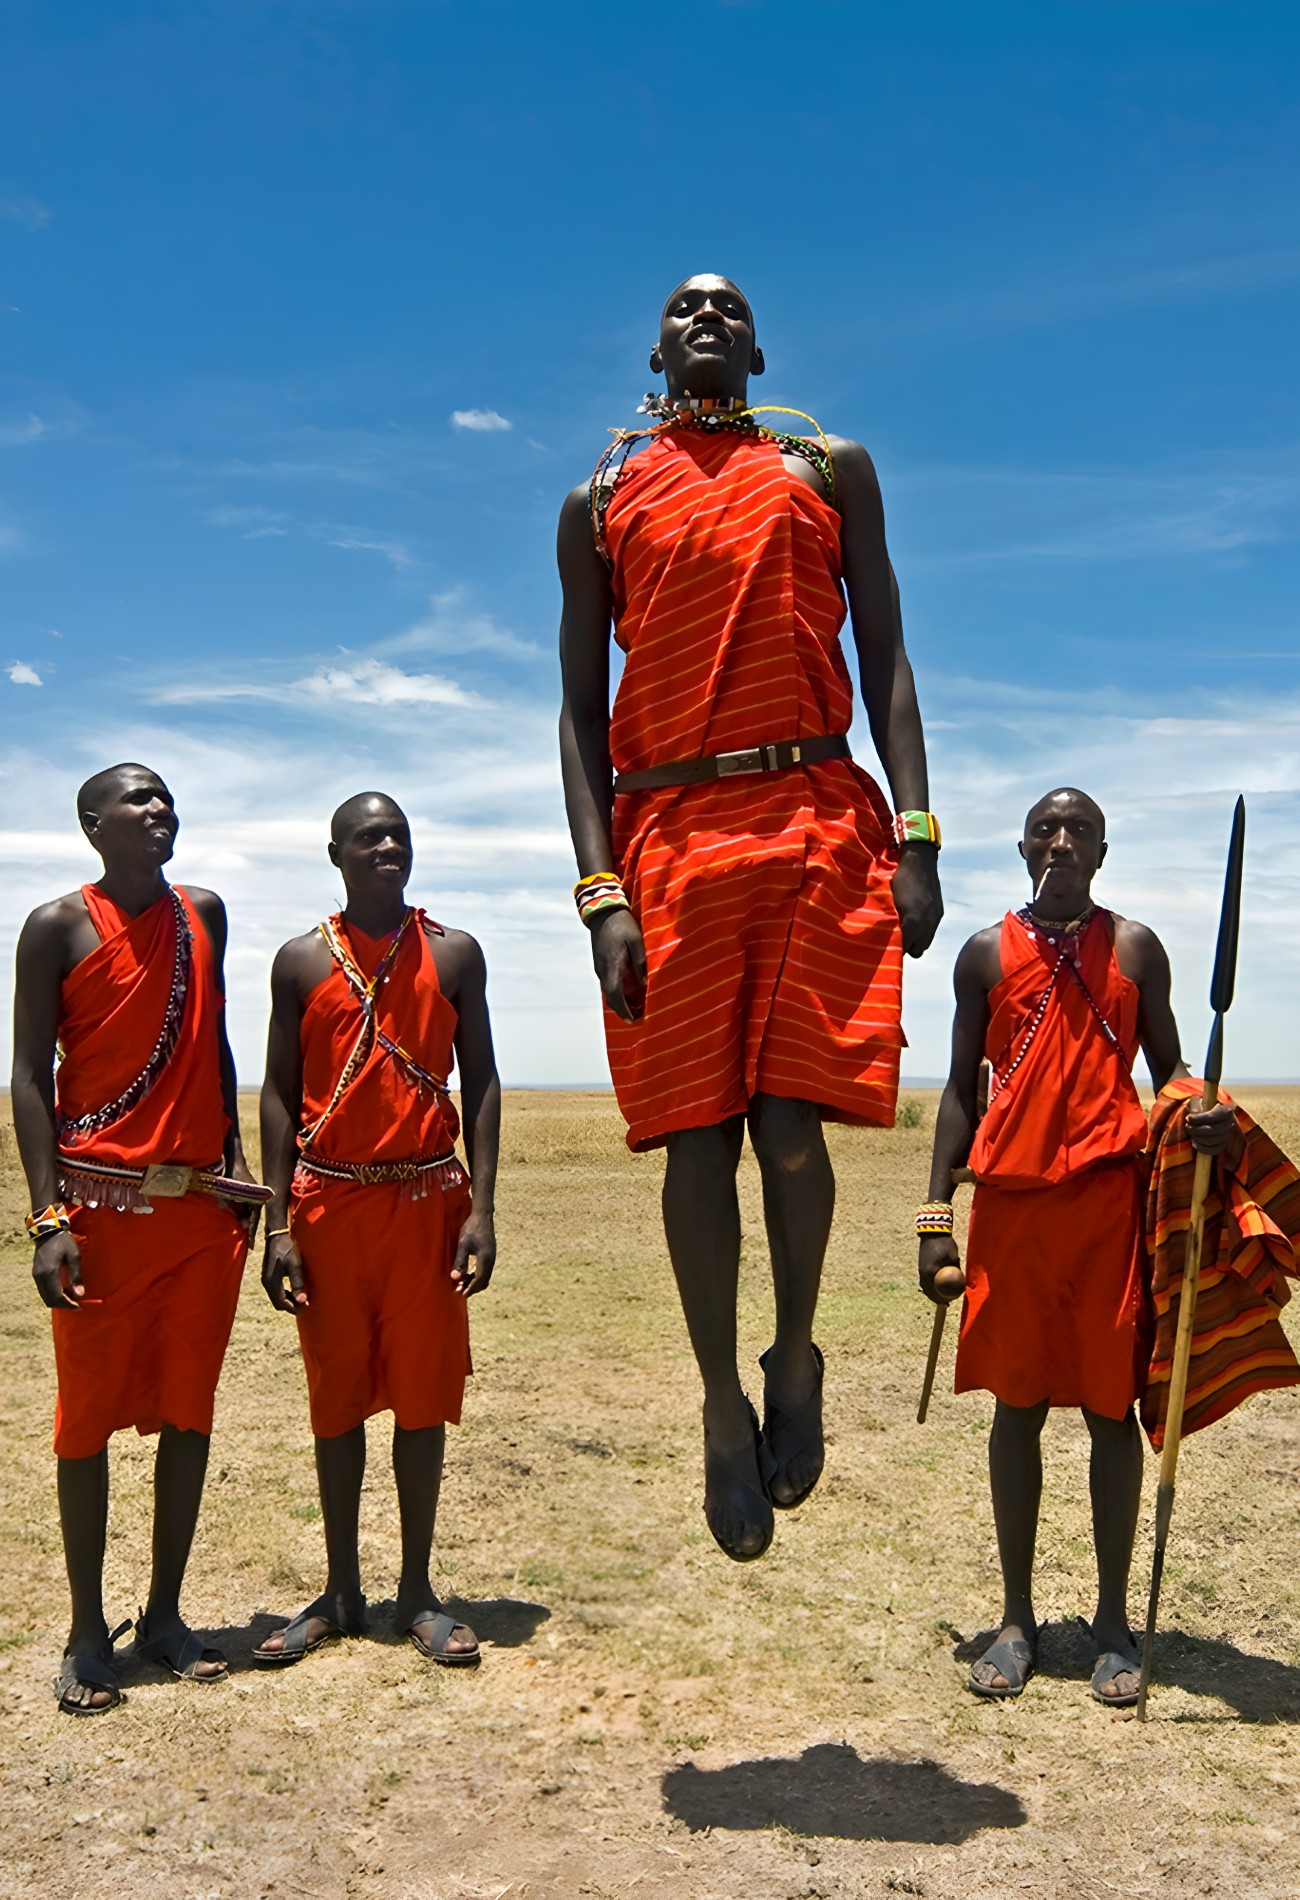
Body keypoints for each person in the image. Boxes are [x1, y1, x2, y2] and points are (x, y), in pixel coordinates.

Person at [558, 274, 943, 1561]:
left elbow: (886, 652)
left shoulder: (828, 467)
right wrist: (599, 887)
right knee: (693, 1142)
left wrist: (917, 828)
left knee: (790, 1126)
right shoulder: (601, 498)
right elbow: (575, 711)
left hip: (815, 816)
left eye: (728, 305)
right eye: (683, 307)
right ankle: (720, 1402)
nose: (707, 315)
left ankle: (793, 1351)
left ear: (760, 344)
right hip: (665, 837)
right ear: (656, 349)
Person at [918, 787, 1235, 1706]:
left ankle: (1109, 1622)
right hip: (1011, 1212)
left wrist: (1200, 1107)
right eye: (1046, 830)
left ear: (1101, 852)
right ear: (1022, 849)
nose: (1062, 842)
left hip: (1108, 1209)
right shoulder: (985, 954)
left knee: (1107, 1411)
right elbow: (955, 1094)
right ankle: (1015, 1620)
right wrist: (934, 1220)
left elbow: (1169, 1069)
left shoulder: (1134, 949)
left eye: (1080, 831)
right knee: (1014, 1409)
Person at [11, 764, 263, 1714]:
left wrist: (236, 1161)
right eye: (138, 798)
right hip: (99, 1218)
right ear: (92, 823)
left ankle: (163, 1616)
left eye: (166, 796)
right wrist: (46, 1219)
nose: (160, 809)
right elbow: (29, 1076)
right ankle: (85, 1633)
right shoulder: (55, 928)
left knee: (189, 1412)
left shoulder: (205, 913)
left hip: (200, 1216)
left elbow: (216, 1043)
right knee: (85, 1424)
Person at [255, 793, 499, 1667]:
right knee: (337, 1399)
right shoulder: (296, 963)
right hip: (327, 1211)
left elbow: (484, 1086)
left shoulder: (454, 954)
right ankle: (341, 1589)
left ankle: (419, 1594)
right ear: (336, 854)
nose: (388, 846)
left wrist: (484, 1208)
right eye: (369, 837)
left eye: (399, 834)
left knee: (421, 1399)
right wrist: (276, 1223)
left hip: (430, 1206)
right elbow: (279, 1095)